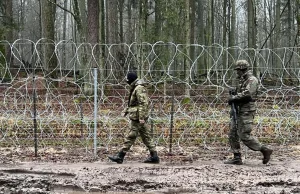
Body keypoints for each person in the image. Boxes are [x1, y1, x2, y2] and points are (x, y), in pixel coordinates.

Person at [225, 60, 273, 165]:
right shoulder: (242, 80)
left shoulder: (252, 80)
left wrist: (234, 97)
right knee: (233, 133)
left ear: (242, 69)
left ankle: (264, 149)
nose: (237, 72)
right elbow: (241, 92)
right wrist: (234, 93)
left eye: (238, 70)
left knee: (244, 135)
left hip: (246, 110)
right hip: (238, 109)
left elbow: (248, 94)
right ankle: (237, 157)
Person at [108, 72, 160, 164]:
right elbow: (134, 104)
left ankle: (120, 156)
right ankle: (154, 156)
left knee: (131, 136)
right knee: (146, 136)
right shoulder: (136, 87)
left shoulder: (139, 88)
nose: (126, 81)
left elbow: (143, 104)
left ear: (131, 80)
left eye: (127, 79)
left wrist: (141, 117)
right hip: (137, 115)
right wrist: (127, 111)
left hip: (138, 117)